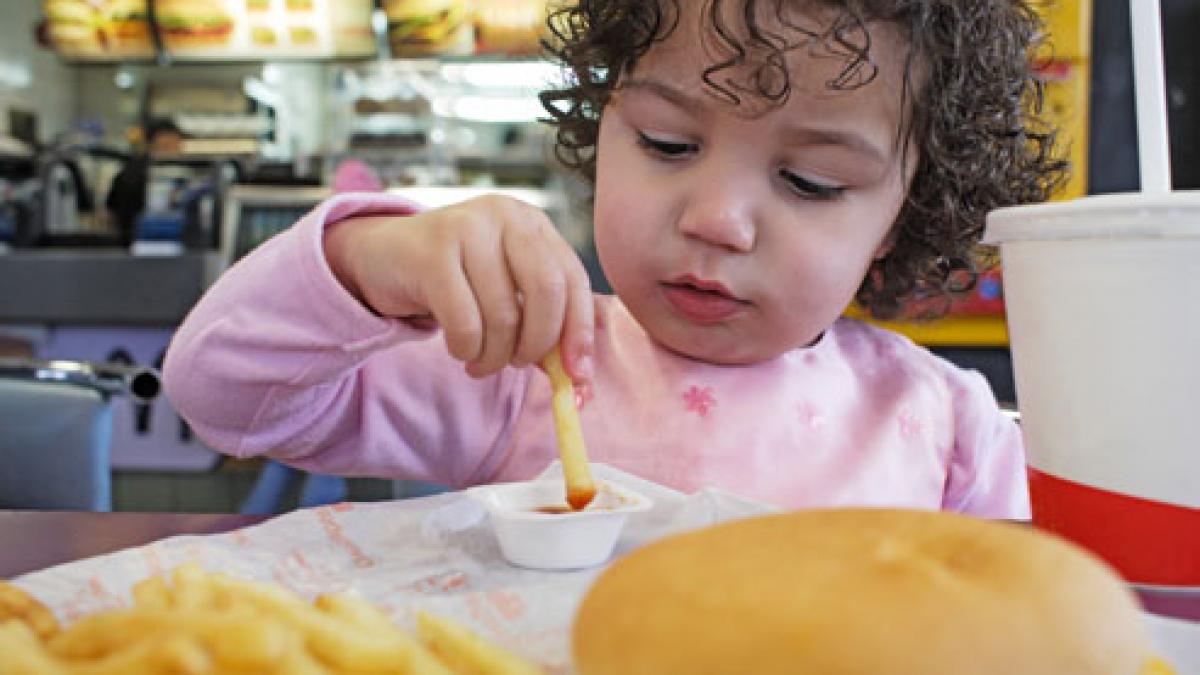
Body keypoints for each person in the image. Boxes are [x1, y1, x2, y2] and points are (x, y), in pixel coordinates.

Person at [164, 0, 1065, 517]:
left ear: (904, 216)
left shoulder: (949, 428)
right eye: (668, 143)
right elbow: (221, 394)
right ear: (601, 128)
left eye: (810, 181)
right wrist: (368, 258)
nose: (716, 221)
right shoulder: (526, 366)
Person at [105, 117, 184, 245]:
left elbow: (111, 213)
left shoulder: (129, 170)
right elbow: (113, 212)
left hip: (130, 241)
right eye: (169, 142)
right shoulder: (132, 174)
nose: (175, 147)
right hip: (139, 240)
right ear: (154, 141)